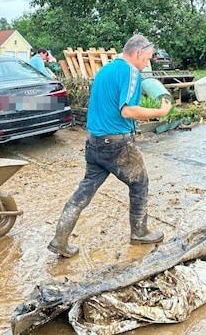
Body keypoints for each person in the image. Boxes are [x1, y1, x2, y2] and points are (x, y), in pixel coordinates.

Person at [47, 34, 172, 258]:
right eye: (147, 59)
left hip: (94, 142)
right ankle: (140, 232)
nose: (146, 64)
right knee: (140, 183)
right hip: (117, 144)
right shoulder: (131, 71)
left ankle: (60, 239)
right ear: (139, 53)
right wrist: (160, 112)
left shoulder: (105, 70)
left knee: (84, 190)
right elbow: (128, 111)